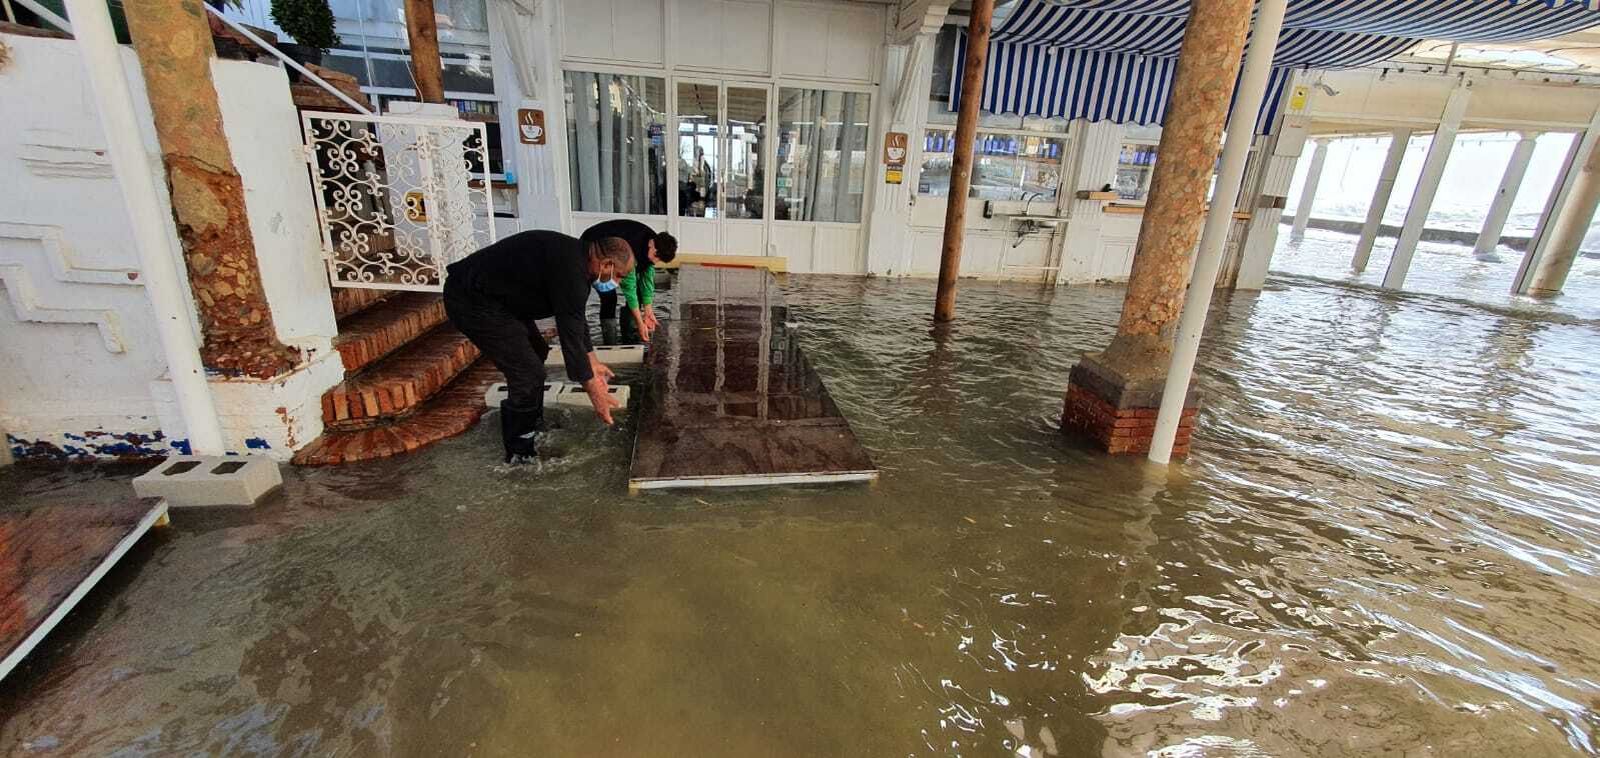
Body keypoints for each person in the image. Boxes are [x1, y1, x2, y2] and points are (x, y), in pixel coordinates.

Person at [444, 230, 633, 463]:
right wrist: (595, 394)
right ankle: (519, 453)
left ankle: (533, 423)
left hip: (501, 301)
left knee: (538, 353)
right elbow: (570, 339)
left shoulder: (576, 259)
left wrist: (592, 361)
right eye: (620, 276)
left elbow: (574, 318)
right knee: (527, 373)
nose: (618, 282)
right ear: (607, 264)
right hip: (472, 300)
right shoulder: (572, 271)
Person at [579, 220, 677, 344]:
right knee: (609, 298)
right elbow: (629, 287)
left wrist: (648, 311)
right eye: (656, 256)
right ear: (651, 244)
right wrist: (640, 322)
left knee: (640, 295)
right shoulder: (633, 249)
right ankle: (610, 343)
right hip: (592, 245)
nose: (655, 261)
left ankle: (628, 338)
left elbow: (647, 280)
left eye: (659, 260)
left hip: (615, 251)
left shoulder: (655, 244)